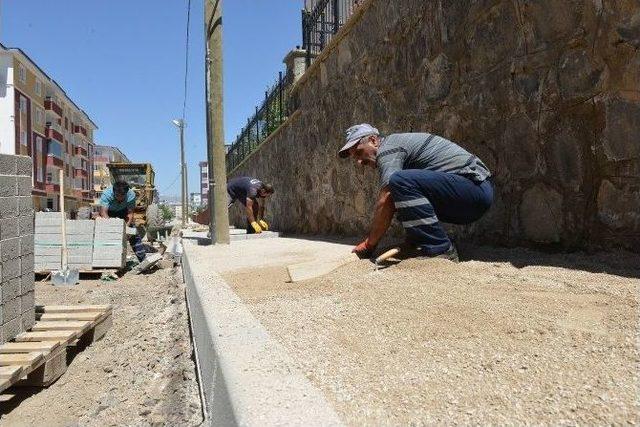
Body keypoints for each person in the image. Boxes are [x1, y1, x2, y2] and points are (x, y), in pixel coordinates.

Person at [339, 123, 494, 261]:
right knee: (403, 195)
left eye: (359, 153)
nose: (359, 162)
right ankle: (420, 242)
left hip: (474, 188)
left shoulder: (388, 149)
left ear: (373, 140)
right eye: (355, 158)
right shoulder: (395, 147)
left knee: (398, 182)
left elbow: (386, 198)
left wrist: (369, 244)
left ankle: (440, 248)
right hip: (472, 193)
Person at [98, 181, 146, 261]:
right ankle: (104, 259)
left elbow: (130, 214)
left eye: (122, 195)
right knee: (106, 233)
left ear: (126, 193)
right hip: (109, 212)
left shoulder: (131, 195)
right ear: (113, 191)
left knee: (133, 234)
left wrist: (126, 228)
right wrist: (112, 227)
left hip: (123, 212)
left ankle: (143, 259)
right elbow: (104, 212)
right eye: (117, 195)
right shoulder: (106, 194)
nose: (120, 198)